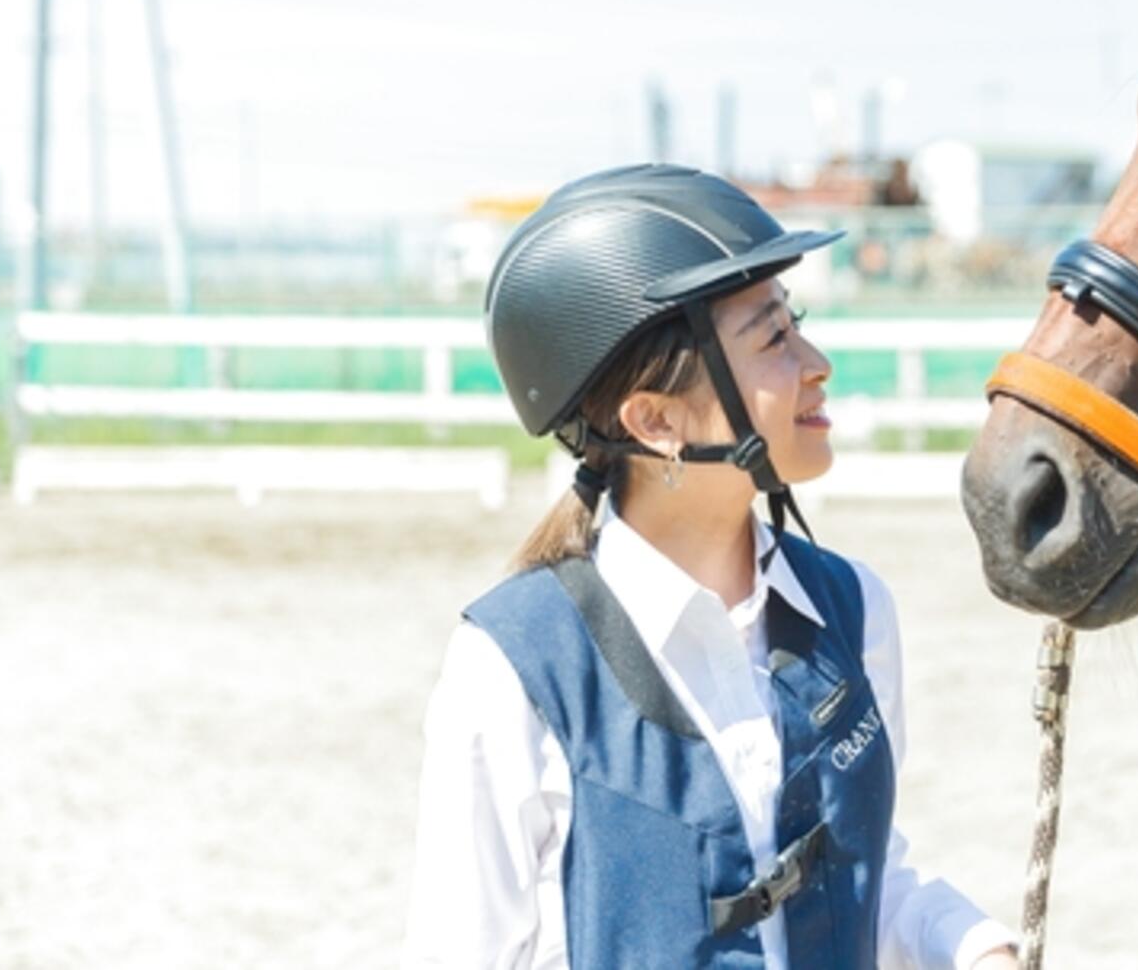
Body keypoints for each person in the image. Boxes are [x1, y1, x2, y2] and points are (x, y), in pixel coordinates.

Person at [402, 164, 1019, 969]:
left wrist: (973, 948)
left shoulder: (854, 610)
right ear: (656, 420)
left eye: (795, 325)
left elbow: (868, 880)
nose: (816, 362)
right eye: (773, 340)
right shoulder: (514, 667)